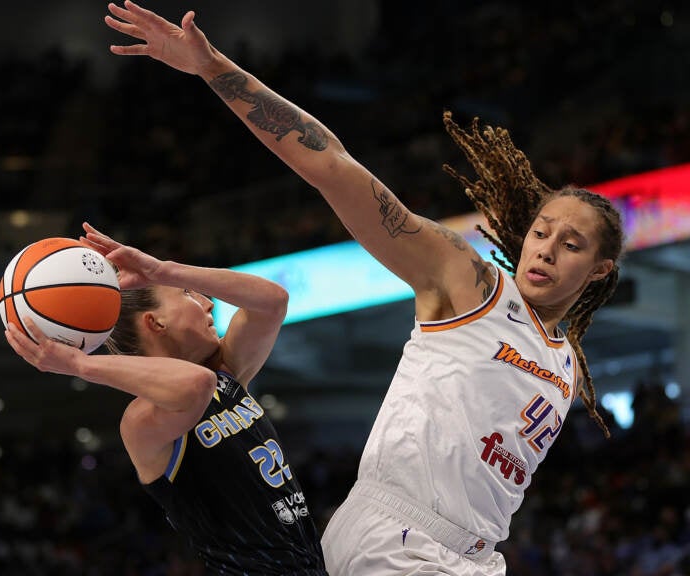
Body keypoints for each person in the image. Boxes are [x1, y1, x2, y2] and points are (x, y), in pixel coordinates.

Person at [103, 3, 625, 574]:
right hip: (397, 538)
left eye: (571, 245)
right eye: (542, 232)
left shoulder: (565, 360)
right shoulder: (469, 283)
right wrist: (213, 68)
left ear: (600, 269)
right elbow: (333, 165)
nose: (545, 248)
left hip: (475, 556)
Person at [4, 222, 329, 575]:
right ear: (155, 322)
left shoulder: (225, 371)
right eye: (189, 294)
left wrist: (163, 270)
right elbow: (195, 386)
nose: (208, 303)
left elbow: (273, 300)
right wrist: (81, 364)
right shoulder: (141, 420)